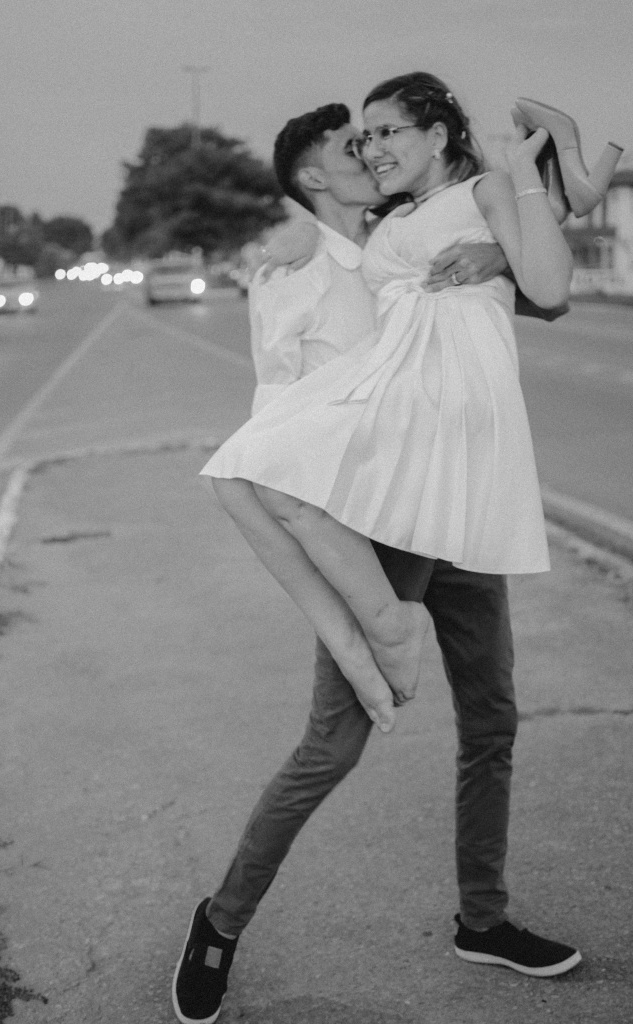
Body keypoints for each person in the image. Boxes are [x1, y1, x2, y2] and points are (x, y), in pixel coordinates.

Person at [172, 92, 582, 1024]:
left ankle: (484, 919)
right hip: (376, 523)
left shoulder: (407, 231)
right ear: (312, 177)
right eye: (350, 145)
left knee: (493, 717)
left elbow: (528, 286)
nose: (367, 152)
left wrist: (496, 252)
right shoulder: (296, 270)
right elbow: (280, 408)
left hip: (460, 504)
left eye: (377, 138)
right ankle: (220, 922)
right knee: (334, 744)